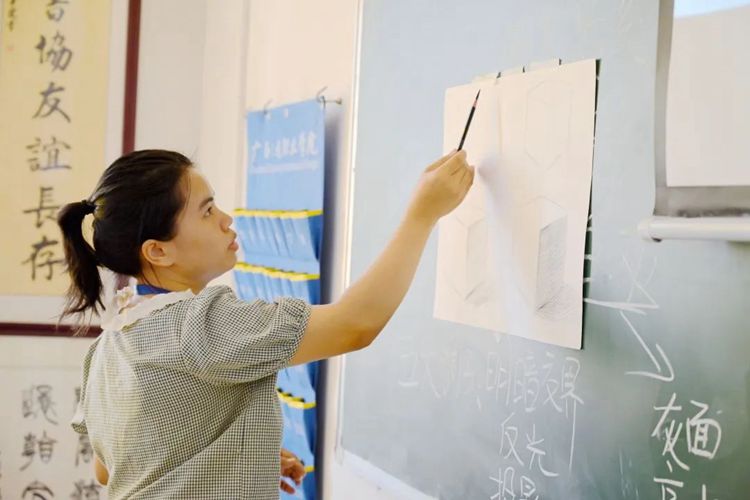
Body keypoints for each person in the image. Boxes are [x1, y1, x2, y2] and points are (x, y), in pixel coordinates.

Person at [58, 148, 474, 499]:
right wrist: (423, 215)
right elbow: (356, 324)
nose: (226, 219)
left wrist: (231, 459)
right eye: (207, 211)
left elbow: (109, 468)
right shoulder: (200, 324)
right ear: (158, 252)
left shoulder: (109, 345)